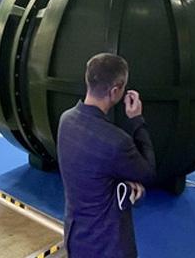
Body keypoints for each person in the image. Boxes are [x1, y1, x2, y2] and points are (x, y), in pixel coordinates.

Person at [57, 53, 155, 258]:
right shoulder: (116, 141)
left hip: (75, 238)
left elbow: (93, 169)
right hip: (107, 248)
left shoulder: (66, 120)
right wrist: (136, 120)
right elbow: (147, 172)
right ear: (115, 91)